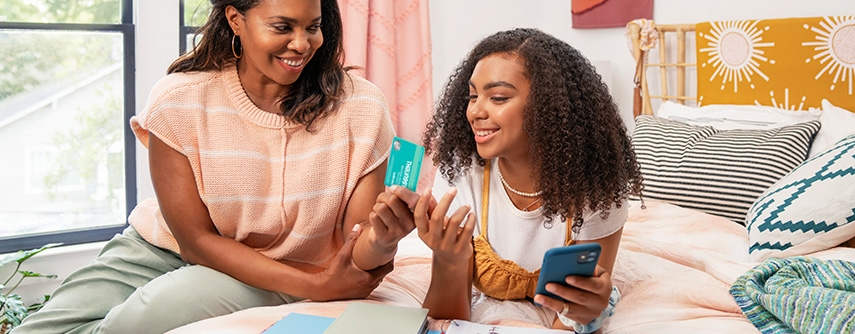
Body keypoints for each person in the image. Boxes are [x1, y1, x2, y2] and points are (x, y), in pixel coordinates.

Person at [13, 0, 415, 333]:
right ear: (236, 20)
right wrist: (319, 286)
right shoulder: (180, 98)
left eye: (313, 26)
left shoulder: (361, 108)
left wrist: (383, 237)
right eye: (282, 26)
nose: (301, 44)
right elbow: (195, 241)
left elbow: (354, 247)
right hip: (163, 247)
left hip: (286, 265)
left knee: (129, 325)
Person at [376, 28, 644, 333]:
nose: (475, 111)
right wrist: (449, 259)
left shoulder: (598, 186)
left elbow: (569, 323)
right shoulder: (460, 171)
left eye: (498, 97)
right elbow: (447, 320)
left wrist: (585, 313)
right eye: (473, 95)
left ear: (549, 107)